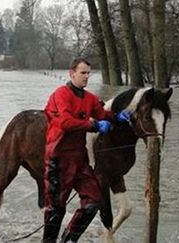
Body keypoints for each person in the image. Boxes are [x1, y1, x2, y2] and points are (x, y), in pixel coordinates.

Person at [42, 58, 130, 242]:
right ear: (72, 73)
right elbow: (65, 123)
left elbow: (102, 113)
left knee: (94, 201)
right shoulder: (61, 95)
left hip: (79, 159)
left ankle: (69, 239)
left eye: (89, 73)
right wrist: (94, 125)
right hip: (58, 157)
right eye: (83, 73)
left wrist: (117, 117)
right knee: (56, 208)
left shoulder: (89, 98)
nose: (87, 77)